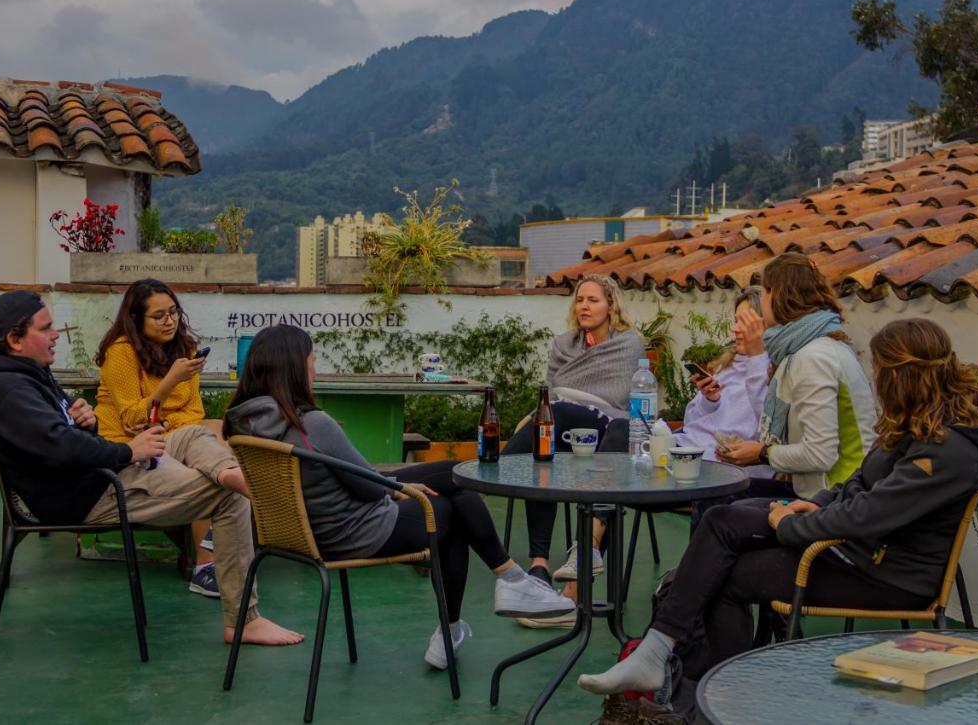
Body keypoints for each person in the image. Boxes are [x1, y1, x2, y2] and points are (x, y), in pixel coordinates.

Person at [577, 318, 978, 696]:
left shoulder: (948, 449)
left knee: (726, 577)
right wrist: (812, 504)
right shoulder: (920, 421)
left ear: (901, 377)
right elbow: (859, 483)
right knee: (721, 518)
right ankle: (663, 659)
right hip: (855, 548)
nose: (875, 380)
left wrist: (793, 526)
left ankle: (717, 694)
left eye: (879, 371)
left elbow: (869, 514)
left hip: (884, 573)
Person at [223, 324, 575, 670]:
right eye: (312, 359)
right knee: (451, 510)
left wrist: (395, 484)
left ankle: (507, 583)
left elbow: (351, 479)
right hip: (354, 531)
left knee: (453, 474)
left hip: (306, 531)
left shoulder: (246, 424)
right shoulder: (313, 424)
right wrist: (396, 489)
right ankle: (489, 599)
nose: (314, 367)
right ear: (295, 367)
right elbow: (369, 488)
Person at [0, 290, 303, 647]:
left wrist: (87, 422)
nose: (56, 336)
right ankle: (244, 621)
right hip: (95, 493)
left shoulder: (31, 376)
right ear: (16, 340)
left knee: (190, 435)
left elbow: (60, 438)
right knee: (231, 500)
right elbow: (61, 448)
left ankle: (224, 472)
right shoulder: (10, 391)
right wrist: (126, 452)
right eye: (47, 329)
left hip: (107, 471)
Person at [500, 274, 645, 620]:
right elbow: (551, 390)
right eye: (580, 300)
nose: (584, 306)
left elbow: (617, 398)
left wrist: (550, 409)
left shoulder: (628, 345)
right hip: (561, 427)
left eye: (593, 300)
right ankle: (539, 566)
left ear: (611, 306)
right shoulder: (563, 344)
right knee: (543, 455)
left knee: (549, 426)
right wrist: (538, 413)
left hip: (604, 428)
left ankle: (504, 464)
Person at [93, 279, 219, 598]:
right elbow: (131, 419)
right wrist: (169, 383)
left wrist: (162, 420)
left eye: (174, 312)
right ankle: (206, 564)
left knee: (217, 434)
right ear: (136, 319)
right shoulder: (120, 352)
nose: (170, 321)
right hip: (125, 444)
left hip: (166, 434)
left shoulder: (185, 348)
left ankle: (205, 561)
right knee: (209, 467)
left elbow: (194, 411)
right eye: (159, 316)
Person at [718, 252, 876, 500]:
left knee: (720, 516)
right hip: (817, 490)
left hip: (836, 497)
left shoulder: (813, 357)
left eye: (765, 292)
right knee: (721, 492)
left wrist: (763, 453)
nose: (763, 300)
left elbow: (819, 454)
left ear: (778, 296)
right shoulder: (803, 349)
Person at [674, 288, 769, 471]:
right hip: (686, 447)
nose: (735, 329)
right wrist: (710, 400)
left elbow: (767, 427)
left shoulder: (773, 370)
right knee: (622, 432)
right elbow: (690, 423)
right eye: (735, 321)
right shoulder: (728, 365)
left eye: (744, 322)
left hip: (713, 463)